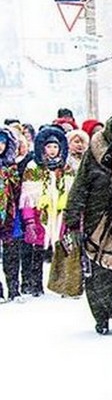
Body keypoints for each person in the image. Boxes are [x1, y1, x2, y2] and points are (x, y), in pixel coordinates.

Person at [64, 113, 112, 334]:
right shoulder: (93, 154)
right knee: (98, 272)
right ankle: (102, 317)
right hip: (97, 220)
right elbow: (80, 186)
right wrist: (73, 220)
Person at [19, 125, 75, 297]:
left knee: (64, 249)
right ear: (43, 147)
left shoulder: (66, 167)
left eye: (56, 147)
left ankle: (63, 284)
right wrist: (29, 220)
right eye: (49, 146)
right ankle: (34, 284)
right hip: (39, 215)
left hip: (59, 214)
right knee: (36, 250)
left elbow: (71, 190)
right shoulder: (34, 166)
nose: (52, 150)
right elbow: (27, 195)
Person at [0, 126, 22, 302]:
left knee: (12, 253)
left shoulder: (11, 166)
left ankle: (14, 289)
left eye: (2, 142)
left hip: (10, 215)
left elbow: (18, 190)